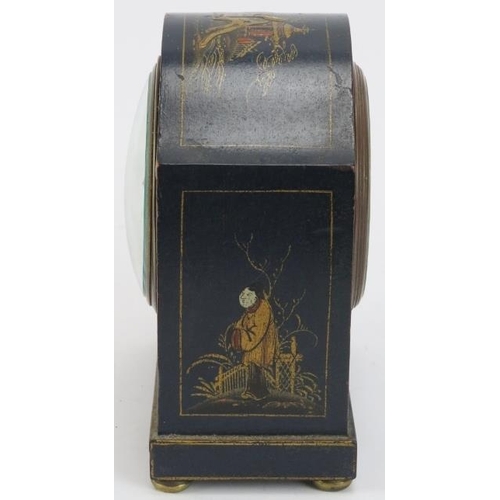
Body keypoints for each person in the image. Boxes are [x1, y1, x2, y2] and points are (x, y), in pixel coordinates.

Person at [230, 283, 278, 400]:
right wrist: (238, 331)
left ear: (255, 296)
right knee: (251, 366)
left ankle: (258, 392)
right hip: (251, 341)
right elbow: (241, 322)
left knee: (257, 365)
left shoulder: (264, 308)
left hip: (261, 342)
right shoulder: (250, 308)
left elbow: (260, 330)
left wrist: (246, 339)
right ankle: (254, 390)